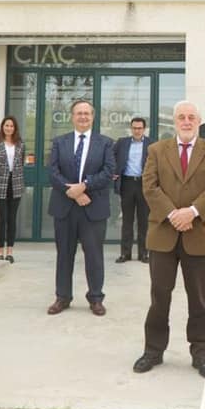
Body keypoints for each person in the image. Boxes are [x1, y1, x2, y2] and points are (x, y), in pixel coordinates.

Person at [133, 100, 205, 379]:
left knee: (198, 300)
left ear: (198, 121)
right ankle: (153, 351)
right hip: (163, 234)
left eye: (191, 117)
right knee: (159, 297)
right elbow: (149, 186)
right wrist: (173, 214)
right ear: (174, 122)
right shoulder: (156, 150)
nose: (186, 121)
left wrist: (192, 212)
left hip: (198, 235)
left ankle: (201, 354)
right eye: (181, 117)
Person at [47, 99, 115, 317]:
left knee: (94, 256)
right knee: (64, 255)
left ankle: (96, 298)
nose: (83, 117)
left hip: (93, 208)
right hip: (65, 207)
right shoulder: (60, 142)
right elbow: (53, 172)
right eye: (79, 113)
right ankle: (62, 297)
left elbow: (108, 172)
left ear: (93, 117)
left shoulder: (105, 143)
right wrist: (74, 192)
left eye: (87, 113)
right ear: (72, 117)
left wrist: (84, 186)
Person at [0, 116, 25, 263]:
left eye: (11, 126)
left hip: (15, 183)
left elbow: (21, 163)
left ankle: (10, 251)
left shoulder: (20, 144)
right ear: (2, 127)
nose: (9, 128)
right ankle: (0, 251)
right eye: (6, 125)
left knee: (12, 218)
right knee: (1, 218)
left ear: (15, 128)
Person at [112, 117, 151, 263]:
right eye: (134, 128)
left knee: (144, 221)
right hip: (127, 183)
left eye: (139, 128)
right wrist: (114, 171)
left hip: (144, 184)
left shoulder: (151, 144)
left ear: (144, 129)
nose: (137, 131)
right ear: (131, 128)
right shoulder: (122, 143)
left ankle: (143, 254)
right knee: (127, 220)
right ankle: (125, 254)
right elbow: (110, 156)